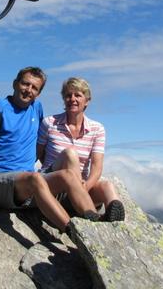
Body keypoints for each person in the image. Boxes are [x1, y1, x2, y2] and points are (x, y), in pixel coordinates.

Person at [0, 67, 101, 232]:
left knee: (69, 175)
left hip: (28, 184)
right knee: (36, 179)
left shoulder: (36, 108)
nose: (29, 90)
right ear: (15, 84)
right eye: (25, 84)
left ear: (38, 93)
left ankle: (94, 227)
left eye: (34, 88)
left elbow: (40, 147)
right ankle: (74, 233)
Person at [37, 77, 125, 222]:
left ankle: (113, 221)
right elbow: (37, 154)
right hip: (53, 184)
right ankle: (91, 216)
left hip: (81, 187)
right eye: (68, 95)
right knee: (70, 154)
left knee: (107, 186)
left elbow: (97, 167)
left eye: (78, 95)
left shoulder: (97, 129)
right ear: (64, 99)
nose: (72, 99)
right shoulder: (49, 123)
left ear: (87, 100)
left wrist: (85, 186)